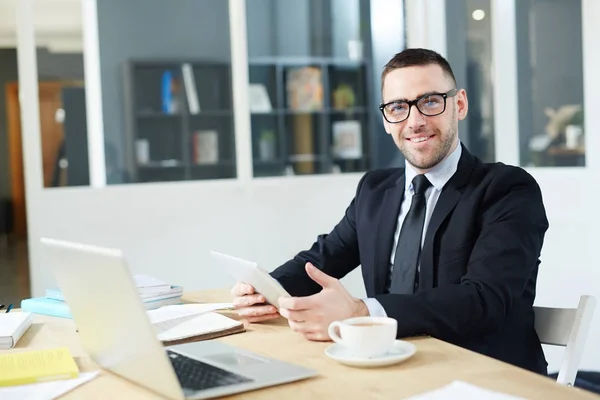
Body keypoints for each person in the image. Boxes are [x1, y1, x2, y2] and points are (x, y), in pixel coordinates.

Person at [231, 48, 549, 375]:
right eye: (398, 107)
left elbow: (485, 301)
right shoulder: (375, 191)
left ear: (460, 104)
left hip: (486, 377)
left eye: (430, 101)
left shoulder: (507, 189)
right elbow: (324, 257)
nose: (415, 121)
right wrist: (268, 289)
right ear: (386, 120)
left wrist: (360, 311)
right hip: (391, 367)